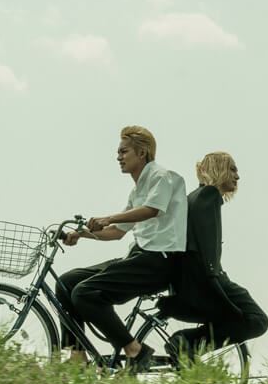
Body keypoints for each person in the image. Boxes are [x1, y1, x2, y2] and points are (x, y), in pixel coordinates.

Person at [55, 125, 187, 371]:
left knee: (84, 293)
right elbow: (117, 232)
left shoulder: (162, 176)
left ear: (142, 152)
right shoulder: (137, 190)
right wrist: (80, 234)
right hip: (139, 257)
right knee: (66, 282)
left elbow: (152, 210)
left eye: (123, 151)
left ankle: (136, 351)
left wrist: (108, 217)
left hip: (160, 261)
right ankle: (77, 356)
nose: (118, 157)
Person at [157, 151, 268, 359]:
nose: (237, 176)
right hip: (205, 278)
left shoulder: (193, 197)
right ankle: (185, 341)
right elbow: (206, 253)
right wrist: (218, 290)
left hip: (190, 277)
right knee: (258, 321)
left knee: (242, 318)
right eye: (233, 169)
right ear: (219, 169)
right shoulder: (209, 196)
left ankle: (186, 344)